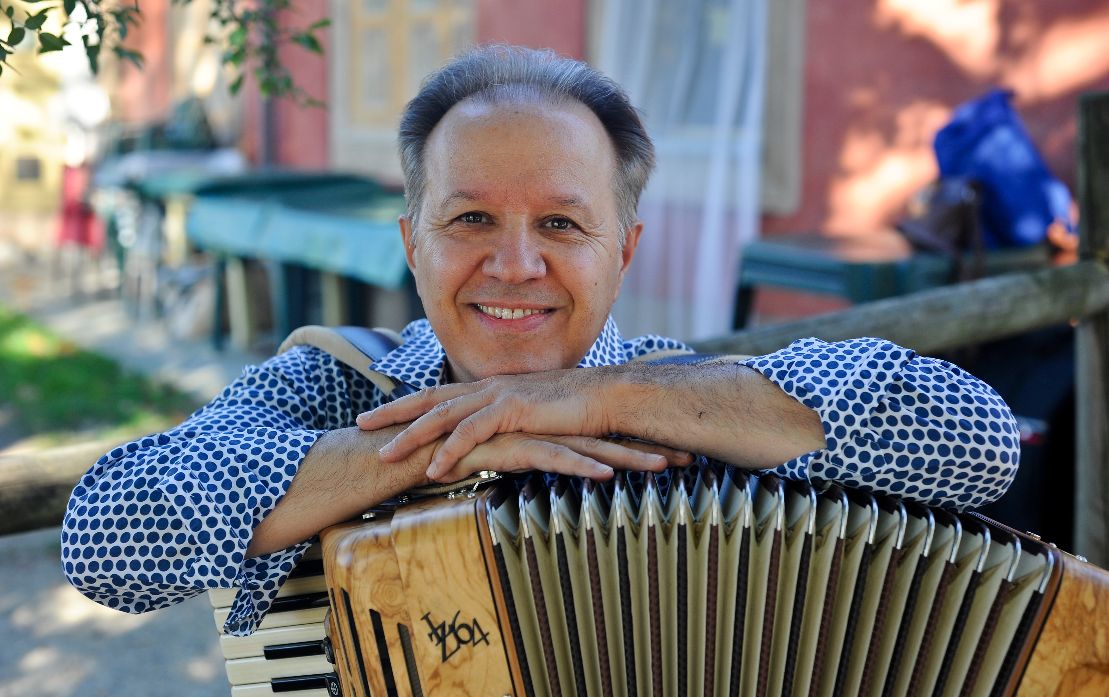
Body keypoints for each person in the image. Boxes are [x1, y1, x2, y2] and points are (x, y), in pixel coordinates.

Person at [61, 46, 1019, 636]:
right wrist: (426, 448)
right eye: (470, 218)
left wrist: (603, 401)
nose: (514, 265)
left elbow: (974, 440)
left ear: (623, 250)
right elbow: (106, 540)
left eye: (561, 225)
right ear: (411, 242)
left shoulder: (696, 402)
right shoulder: (332, 388)